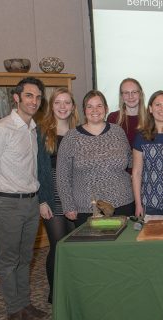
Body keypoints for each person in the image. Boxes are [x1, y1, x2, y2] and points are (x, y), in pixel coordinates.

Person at [0, 76, 47, 320]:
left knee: (26, 257)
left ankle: (25, 303)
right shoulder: (1, 129)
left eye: (38, 97)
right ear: (17, 98)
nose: (34, 101)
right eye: (29, 95)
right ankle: (14, 308)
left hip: (30, 202)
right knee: (9, 258)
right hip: (7, 202)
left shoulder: (32, 129)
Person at [57, 90, 134, 228]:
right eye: (89, 106)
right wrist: (68, 205)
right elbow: (63, 176)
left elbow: (130, 161)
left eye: (99, 106)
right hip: (87, 207)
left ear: (106, 109)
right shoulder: (71, 137)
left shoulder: (118, 132)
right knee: (92, 248)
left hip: (123, 203)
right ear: (84, 110)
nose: (95, 110)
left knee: (122, 247)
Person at [36, 87, 79, 304]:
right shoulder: (42, 132)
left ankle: (71, 290)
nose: (62, 107)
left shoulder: (78, 132)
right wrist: (42, 200)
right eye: (58, 102)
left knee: (74, 246)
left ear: (73, 107)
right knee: (58, 245)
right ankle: (55, 295)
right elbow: (37, 169)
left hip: (75, 194)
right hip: (51, 195)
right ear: (51, 106)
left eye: (67, 102)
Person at [107, 78, 145, 145]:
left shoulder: (151, 117)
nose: (130, 96)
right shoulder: (113, 118)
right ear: (121, 96)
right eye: (126, 93)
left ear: (140, 94)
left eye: (134, 92)